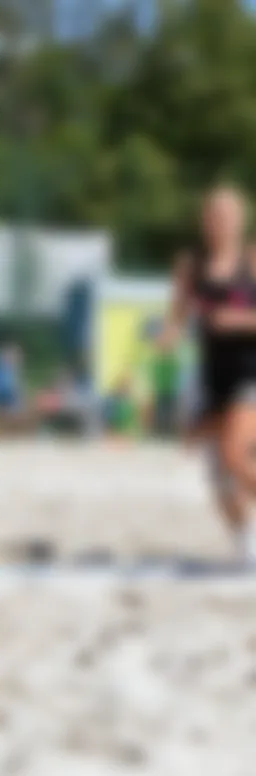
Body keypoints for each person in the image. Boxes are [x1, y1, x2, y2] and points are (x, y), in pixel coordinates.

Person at [162, 184, 256, 563]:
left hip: (249, 373)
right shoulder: (192, 267)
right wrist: (168, 336)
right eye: (214, 216)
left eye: (228, 216)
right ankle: (245, 541)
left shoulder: (251, 263)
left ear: (240, 220)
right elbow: (177, 318)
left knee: (235, 455)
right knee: (218, 478)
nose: (220, 223)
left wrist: (237, 320)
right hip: (211, 378)